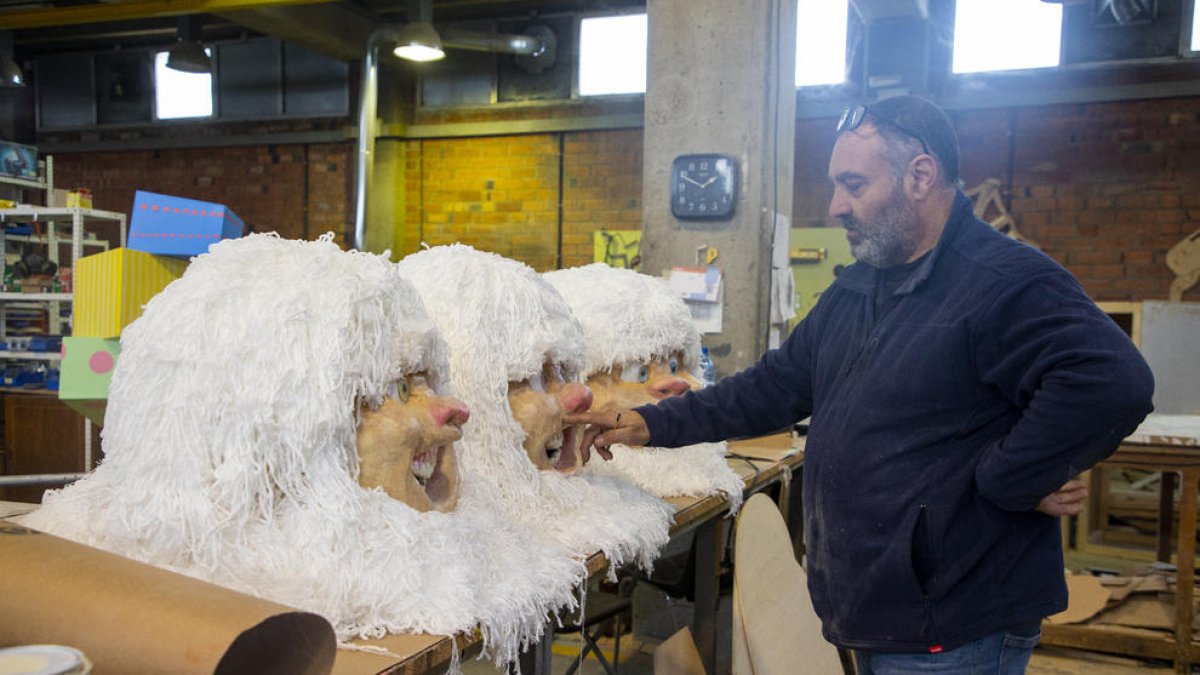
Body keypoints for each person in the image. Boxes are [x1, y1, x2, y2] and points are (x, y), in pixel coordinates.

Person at [569, 95, 1155, 674]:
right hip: (878, 606)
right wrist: (652, 422)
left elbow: (1113, 380)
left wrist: (1013, 477)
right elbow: (777, 386)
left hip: (953, 623)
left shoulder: (1001, 281)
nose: (835, 206)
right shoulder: (862, 286)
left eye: (853, 185)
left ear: (920, 176)